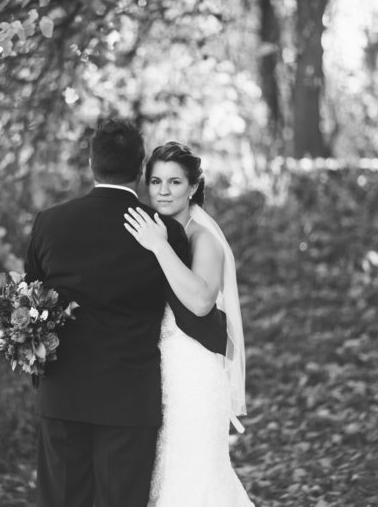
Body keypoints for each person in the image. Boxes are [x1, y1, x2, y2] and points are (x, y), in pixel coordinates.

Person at [24, 119, 226, 507]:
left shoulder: (49, 223)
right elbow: (186, 305)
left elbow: (31, 299)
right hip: (130, 398)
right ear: (139, 171)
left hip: (63, 394)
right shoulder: (163, 231)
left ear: (90, 163)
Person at [123, 141, 254, 507]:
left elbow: (199, 302)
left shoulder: (204, 240)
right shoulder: (148, 230)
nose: (163, 191)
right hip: (155, 376)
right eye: (155, 181)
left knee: (195, 484)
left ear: (193, 187)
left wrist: (159, 247)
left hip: (194, 379)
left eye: (175, 182)